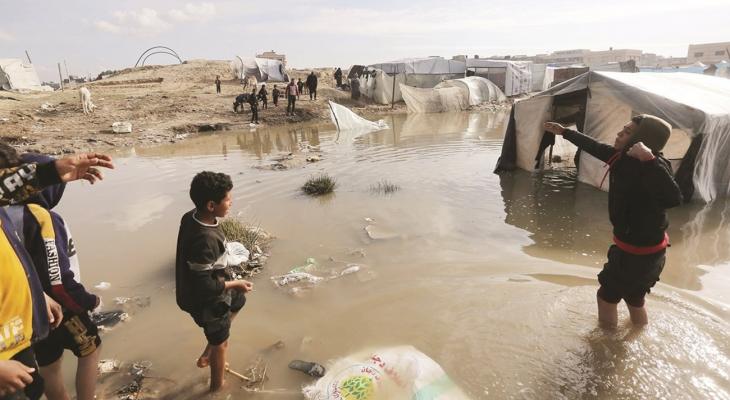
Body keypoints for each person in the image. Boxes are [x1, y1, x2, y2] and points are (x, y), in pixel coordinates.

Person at [543, 115, 682, 328]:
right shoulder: (622, 158)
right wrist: (565, 132)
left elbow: (674, 199)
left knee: (606, 297)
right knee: (634, 299)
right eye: (622, 129)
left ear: (643, 140)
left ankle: (605, 350)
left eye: (627, 132)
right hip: (646, 251)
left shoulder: (654, 166)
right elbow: (595, 147)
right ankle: (636, 334)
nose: (619, 134)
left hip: (637, 254)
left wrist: (648, 160)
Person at [0, 148, 113, 400]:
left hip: (32, 315)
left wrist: (39, 296)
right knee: (91, 348)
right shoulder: (42, 216)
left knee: (49, 368)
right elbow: (57, 276)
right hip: (60, 308)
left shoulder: (6, 214)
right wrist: (86, 302)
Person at [175, 172, 253, 392]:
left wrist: (233, 285)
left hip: (203, 286)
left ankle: (211, 346)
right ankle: (217, 387)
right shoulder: (205, 239)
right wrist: (234, 283)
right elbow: (205, 286)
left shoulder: (191, 216)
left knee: (238, 301)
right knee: (222, 345)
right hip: (205, 298)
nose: (231, 202)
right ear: (211, 205)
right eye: (227, 199)